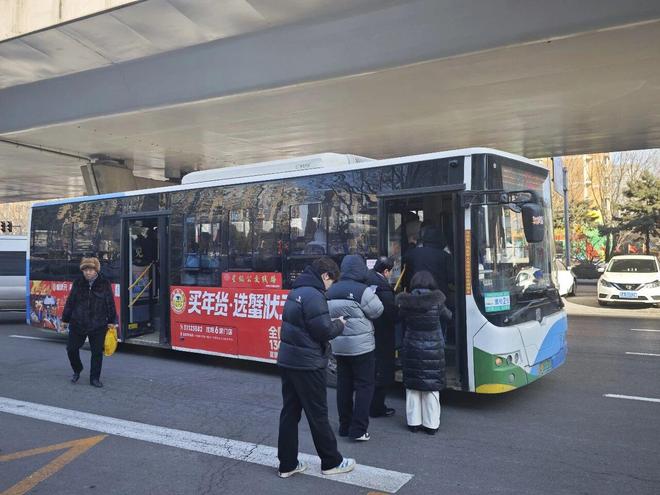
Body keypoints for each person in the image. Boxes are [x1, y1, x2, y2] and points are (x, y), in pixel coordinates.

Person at [276, 257, 356, 478]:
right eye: (331, 281)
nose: (330, 286)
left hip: (288, 360)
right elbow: (323, 331)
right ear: (325, 276)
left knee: (290, 413)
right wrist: (340, 323)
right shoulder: (314, 295)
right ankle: (331, 462)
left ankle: (287, 464)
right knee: (318, 414)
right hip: (307, 363)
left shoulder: (296, 290)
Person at [327, 255, 384, 441]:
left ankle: (344, 426)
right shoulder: (362, 290)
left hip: (339, 345)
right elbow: (377, 310)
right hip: (362, 348)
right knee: (364, 386)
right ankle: (359, 430)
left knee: (344, 385)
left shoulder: (331, 289)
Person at [396, 270, 452, 434]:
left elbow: (398, 318)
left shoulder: (406, 302)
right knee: (431, 388)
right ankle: (431, 425)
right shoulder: (437, 300)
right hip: (433, 348)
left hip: (412, 346)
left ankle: (413, 423)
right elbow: (448, 316)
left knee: (412, 387)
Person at [62, 257, 117, 388]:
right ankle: (77, 368)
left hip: (98, 323)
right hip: (78, 322)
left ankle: (95, 378)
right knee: (71, 349)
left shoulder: (104, 283)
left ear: (96, 270)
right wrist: (65, 319)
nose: (88, 272)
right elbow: (70, 301)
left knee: (97, 353)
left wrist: (111, 320)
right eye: (85, 270)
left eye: (91, 270)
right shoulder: (78, 283)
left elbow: (110, 302)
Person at [366, 256, 397, 418]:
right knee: (382, 372)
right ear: (385, 271)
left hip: (370, 334)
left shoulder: (368, 280)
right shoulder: (383, 289)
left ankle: (371, 405)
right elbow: (391, 314)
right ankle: (377, 407)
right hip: (383, 335)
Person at [402, 226, 453, 296]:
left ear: (424, 239)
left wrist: (412, 244)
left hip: (418, 295)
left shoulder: (415, 252)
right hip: (440, 296)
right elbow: (451, 278)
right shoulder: (445, 255)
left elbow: (403, 259)